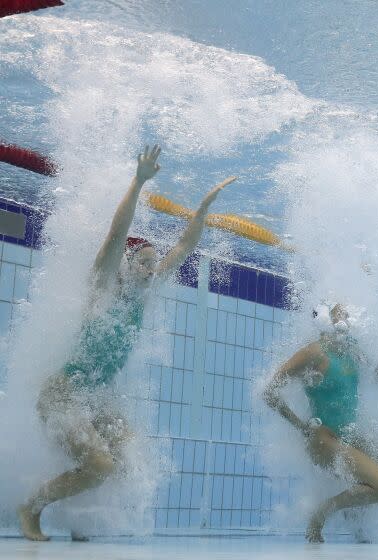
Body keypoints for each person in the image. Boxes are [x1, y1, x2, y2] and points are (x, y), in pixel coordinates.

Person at [18, 145, 236, 541]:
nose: (153, 271)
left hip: (95, 398)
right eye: (146, 263)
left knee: (127, 457)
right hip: (64, 394)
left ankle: (79, 519)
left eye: (155, 265)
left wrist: (202, 209)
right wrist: (137, 183)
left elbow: (184, 248)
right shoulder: (103, 287)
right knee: (100, 464)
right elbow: (117, 234)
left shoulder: (143, 297)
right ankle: (31, 507)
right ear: (127, 264)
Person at [262, 303, 378, 543]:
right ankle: (323, 511)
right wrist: (301, 426)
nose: (345, 320)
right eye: (339, 314)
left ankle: (357, 505)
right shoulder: (313, 353)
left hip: (350, 437)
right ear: (325, 319)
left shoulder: (351, 350)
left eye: (348, 315)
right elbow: (269, 391)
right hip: (324, 440)